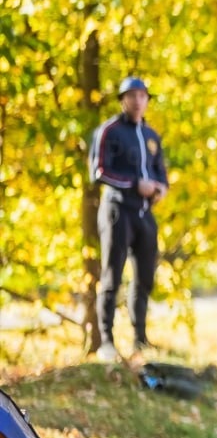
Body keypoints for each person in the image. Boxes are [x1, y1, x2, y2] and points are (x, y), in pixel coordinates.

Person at [89, 76, 170, 361]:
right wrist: (135, 184)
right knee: (112, 275)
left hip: (144, 214)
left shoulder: (151, 136)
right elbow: (100, 172)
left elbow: (160, 173)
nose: (137, 100)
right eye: (132, 95)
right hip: (117, 211)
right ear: (123, 99)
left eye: (142, 95)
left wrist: (160, 189)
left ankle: (140, 338)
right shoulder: (109, 131)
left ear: (147, 100)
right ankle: (107, 341)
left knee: (145, 276)